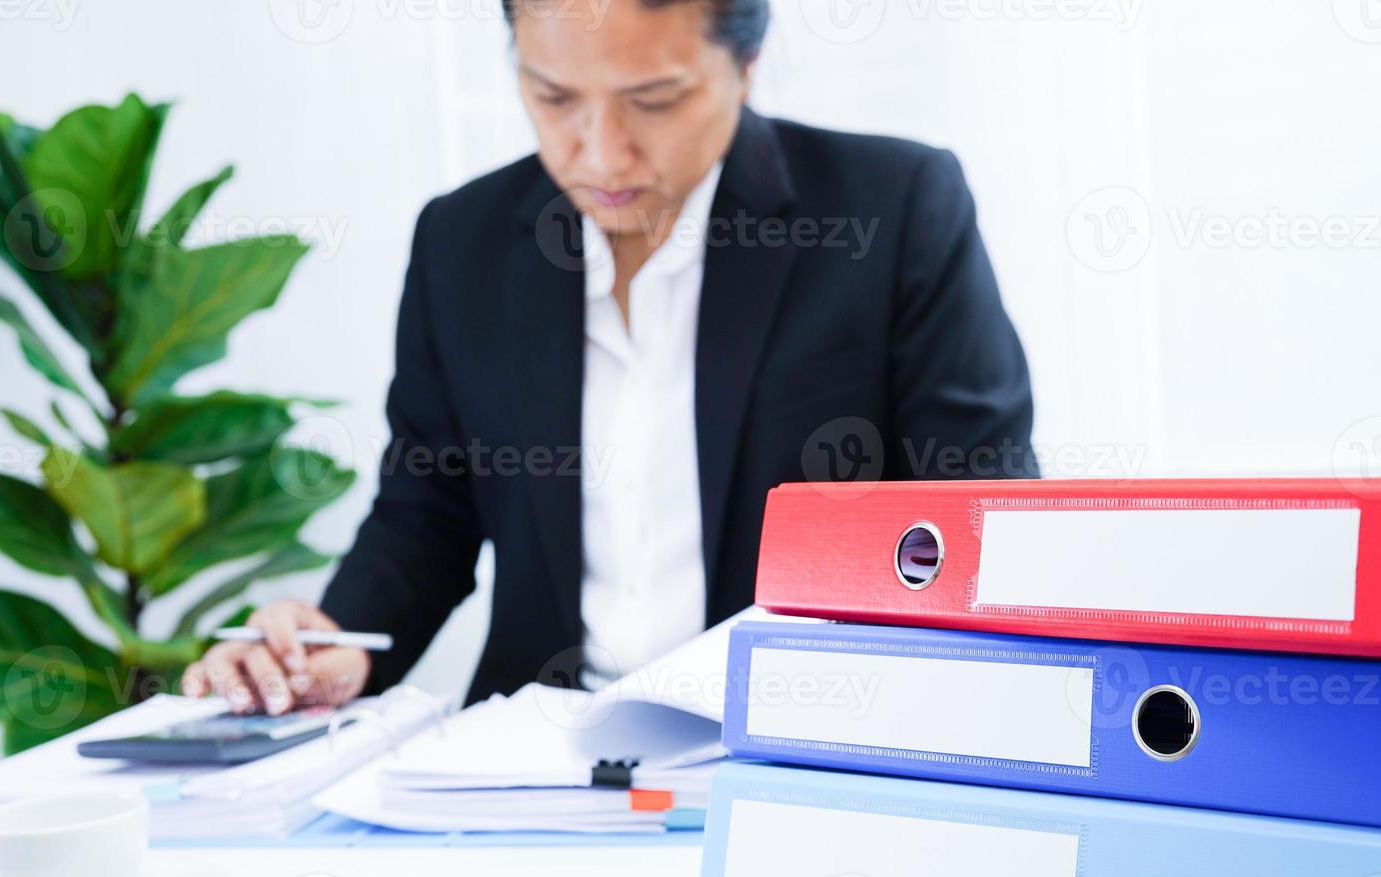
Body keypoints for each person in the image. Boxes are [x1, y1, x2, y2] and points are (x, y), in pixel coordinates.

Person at [182, 0, 1036, 715]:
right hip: (535, 759)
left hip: (803, 747)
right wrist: (335, 642)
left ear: (746, 66)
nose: (599, 153)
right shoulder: (461, 241)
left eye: (654, 101)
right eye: (554, 97)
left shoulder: (891, 212)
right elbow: (426, 511)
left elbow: (982, 520)